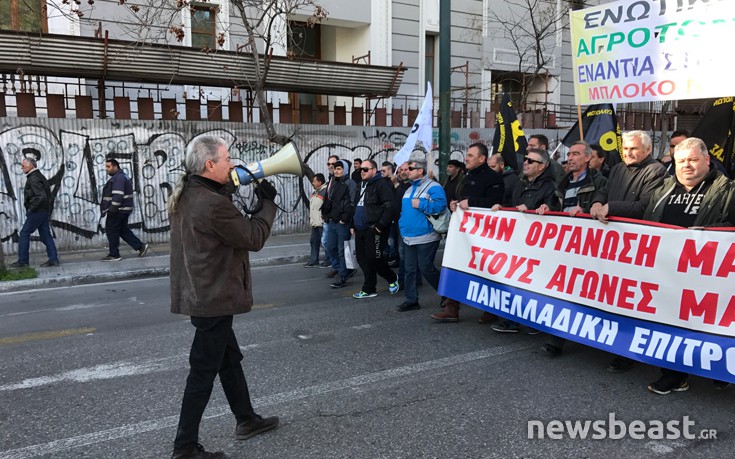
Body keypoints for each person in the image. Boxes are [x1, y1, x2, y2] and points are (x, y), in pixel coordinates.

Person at [167, 135, 279, 459]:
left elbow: (215, 213)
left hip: (202, 294)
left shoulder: (190, 193)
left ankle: (246, 419)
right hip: (213, 298)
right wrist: (267, 202)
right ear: (210, 164)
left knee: (228, 361)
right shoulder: (213, 204)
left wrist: (231, 188)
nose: (233, 163)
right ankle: (184, 448)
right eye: (227, 159)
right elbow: (253, 236)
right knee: (202, 373)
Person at [643, 137, 735, 394]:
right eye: (681, 161)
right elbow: (645, 215)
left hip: (708, 273)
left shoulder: (727, 190)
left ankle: (717, 369)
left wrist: (705, 233)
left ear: (707, 160)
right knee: (670, 320)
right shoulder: (664, 189)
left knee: (712, 323)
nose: (687, 166)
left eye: (693, 160)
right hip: (668, 269)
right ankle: (674, 374)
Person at [590, 130, 667, 372]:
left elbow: (644, 206)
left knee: (629, 298)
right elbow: (603, 191)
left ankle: (626, 351)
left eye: (633, 149)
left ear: (647, 150)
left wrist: (610, 207)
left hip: (635, 244)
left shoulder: (656, 171)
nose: (628, 153)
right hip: (611, 241)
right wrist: (596, 202)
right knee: (610, 292)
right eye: (625, 148)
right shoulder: (617, 168)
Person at [537, 141, 608, 356]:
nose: (570, 157)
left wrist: (585, 210)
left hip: (589, 247)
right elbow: (557, 205)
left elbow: (603, 206)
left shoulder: (600, 181)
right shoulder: (563, 182)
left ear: (588, 158)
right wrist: (548, 207)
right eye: (569, 154)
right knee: (562, 291)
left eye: (576, 154)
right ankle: (556, 339)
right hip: (564, 246)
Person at [431, 143, 504, 323]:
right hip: (465, 231)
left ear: (482, 158)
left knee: (485, 270)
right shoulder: (468, 176)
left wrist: (471, 202)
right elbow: (463, 199)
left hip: (484, 233)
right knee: (456, 264)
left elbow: (494, 202)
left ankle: (490, 309)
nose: (467, 158)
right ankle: (451, 308)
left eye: (471, 155)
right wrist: (455, 204)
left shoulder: (493, 178)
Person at [490, 148, 559, 333]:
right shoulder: (520, 184)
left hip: (538, 245)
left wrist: (543, 208)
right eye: (526, 160)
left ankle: (533, 321)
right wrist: (502, 208)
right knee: (515, 281)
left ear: (542, 166)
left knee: (535, 284)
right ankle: (512, 320)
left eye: (531, 160)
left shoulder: (550, 186)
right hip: (518, 241)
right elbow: (513, 207)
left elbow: (553, 210)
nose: (526, 162)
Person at [396, 156, 447, 312]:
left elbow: (440, 206)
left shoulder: (434, 186)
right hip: (408, 236)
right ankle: (412, 300)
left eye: (410, 169)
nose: (407, 172)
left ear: (420, 171)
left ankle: (447, 295)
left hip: (427, 236)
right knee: (409, 270)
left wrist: (422, 204)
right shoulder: (409, 189)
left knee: (426, 268)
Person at [350, 159, 400, 298]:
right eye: (361, 169)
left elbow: (390, 207)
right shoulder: (360, 185)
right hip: (360, 228)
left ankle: (391, 278)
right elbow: (355, 206)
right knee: (362, 259)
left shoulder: (382, 185)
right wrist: (352, 225)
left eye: (365, 169)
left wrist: (379, 226)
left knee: (375, 258)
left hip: (374, 229)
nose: (362, 172)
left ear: (374, 170)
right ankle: (369, 288)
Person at [10, 156, 60, 268]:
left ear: (31, 165)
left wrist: (31, 209)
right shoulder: (39, 176)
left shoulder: (33, 179)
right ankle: (53, 259)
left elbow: (41, 197)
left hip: (37, 211)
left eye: (24, 165)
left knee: (24, 234)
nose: (22, 167)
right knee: (46, 235)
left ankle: (23, 261)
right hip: (43, 211)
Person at [100, 157, 149, 261]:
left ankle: (114, 254)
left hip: (118, 210)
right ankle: (140, 246)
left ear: (115, 166)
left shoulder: (119, 178)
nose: (106, 169)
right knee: (122, 230)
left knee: (111, 230)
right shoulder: (122, 177)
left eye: (109, 166)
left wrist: (112, 209)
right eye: (106, 167)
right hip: (122, 210)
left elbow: (118, 196)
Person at [323, 160, 357, 288]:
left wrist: (345, 218)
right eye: (335, 168)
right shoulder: (334, 182)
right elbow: (329, 200)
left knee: (343, 250)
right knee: (330, 247)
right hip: (332, 221)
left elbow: (352, 202)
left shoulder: (350, 184)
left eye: (339, 169)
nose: (336, 171)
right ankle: (346, 269)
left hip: (342, 223)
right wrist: (326, 215)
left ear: (346, 170)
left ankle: (342, 276)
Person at [320, 155, 340, 269]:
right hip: (329, 217)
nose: (331, 166)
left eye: (333, 163)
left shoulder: (341, 180)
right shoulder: (330, 179)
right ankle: (336, 266)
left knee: (332, 244)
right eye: (329, 164)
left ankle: (339, 268)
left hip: (337, 218)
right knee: (326, 242)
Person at [305, 173, 327, 268]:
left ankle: (329, 260)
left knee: (325, 243)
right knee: (313, 242)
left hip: (322, 223)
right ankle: (314, 260)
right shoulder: (314, 193)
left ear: (320, 182)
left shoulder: (325, 192)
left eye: (314, 181)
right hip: (315, 223)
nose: (313, 183)